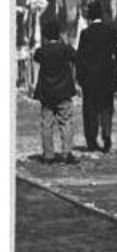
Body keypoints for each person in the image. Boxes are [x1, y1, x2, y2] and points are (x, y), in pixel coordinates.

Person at [76, 0, 117, 153]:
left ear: (90, 16)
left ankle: (92, 140)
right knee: (106, 108)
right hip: (107, 78)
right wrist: (116, 77)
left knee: (91, 111)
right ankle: (107, 135)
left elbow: (80, 58)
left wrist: (80, 79)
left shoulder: (85, 34)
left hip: (90, 80)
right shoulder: (111, 31)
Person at [34, 20, 78, 164]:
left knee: (47, 124)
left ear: (45, 36)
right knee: (66, 122)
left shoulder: (42, 51)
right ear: (58, 34)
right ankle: (66, 153)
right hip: (64, 91)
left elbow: (36, 57)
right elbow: (75, 56)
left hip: (46, 92)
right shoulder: (65, 49)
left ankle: (48, 155)